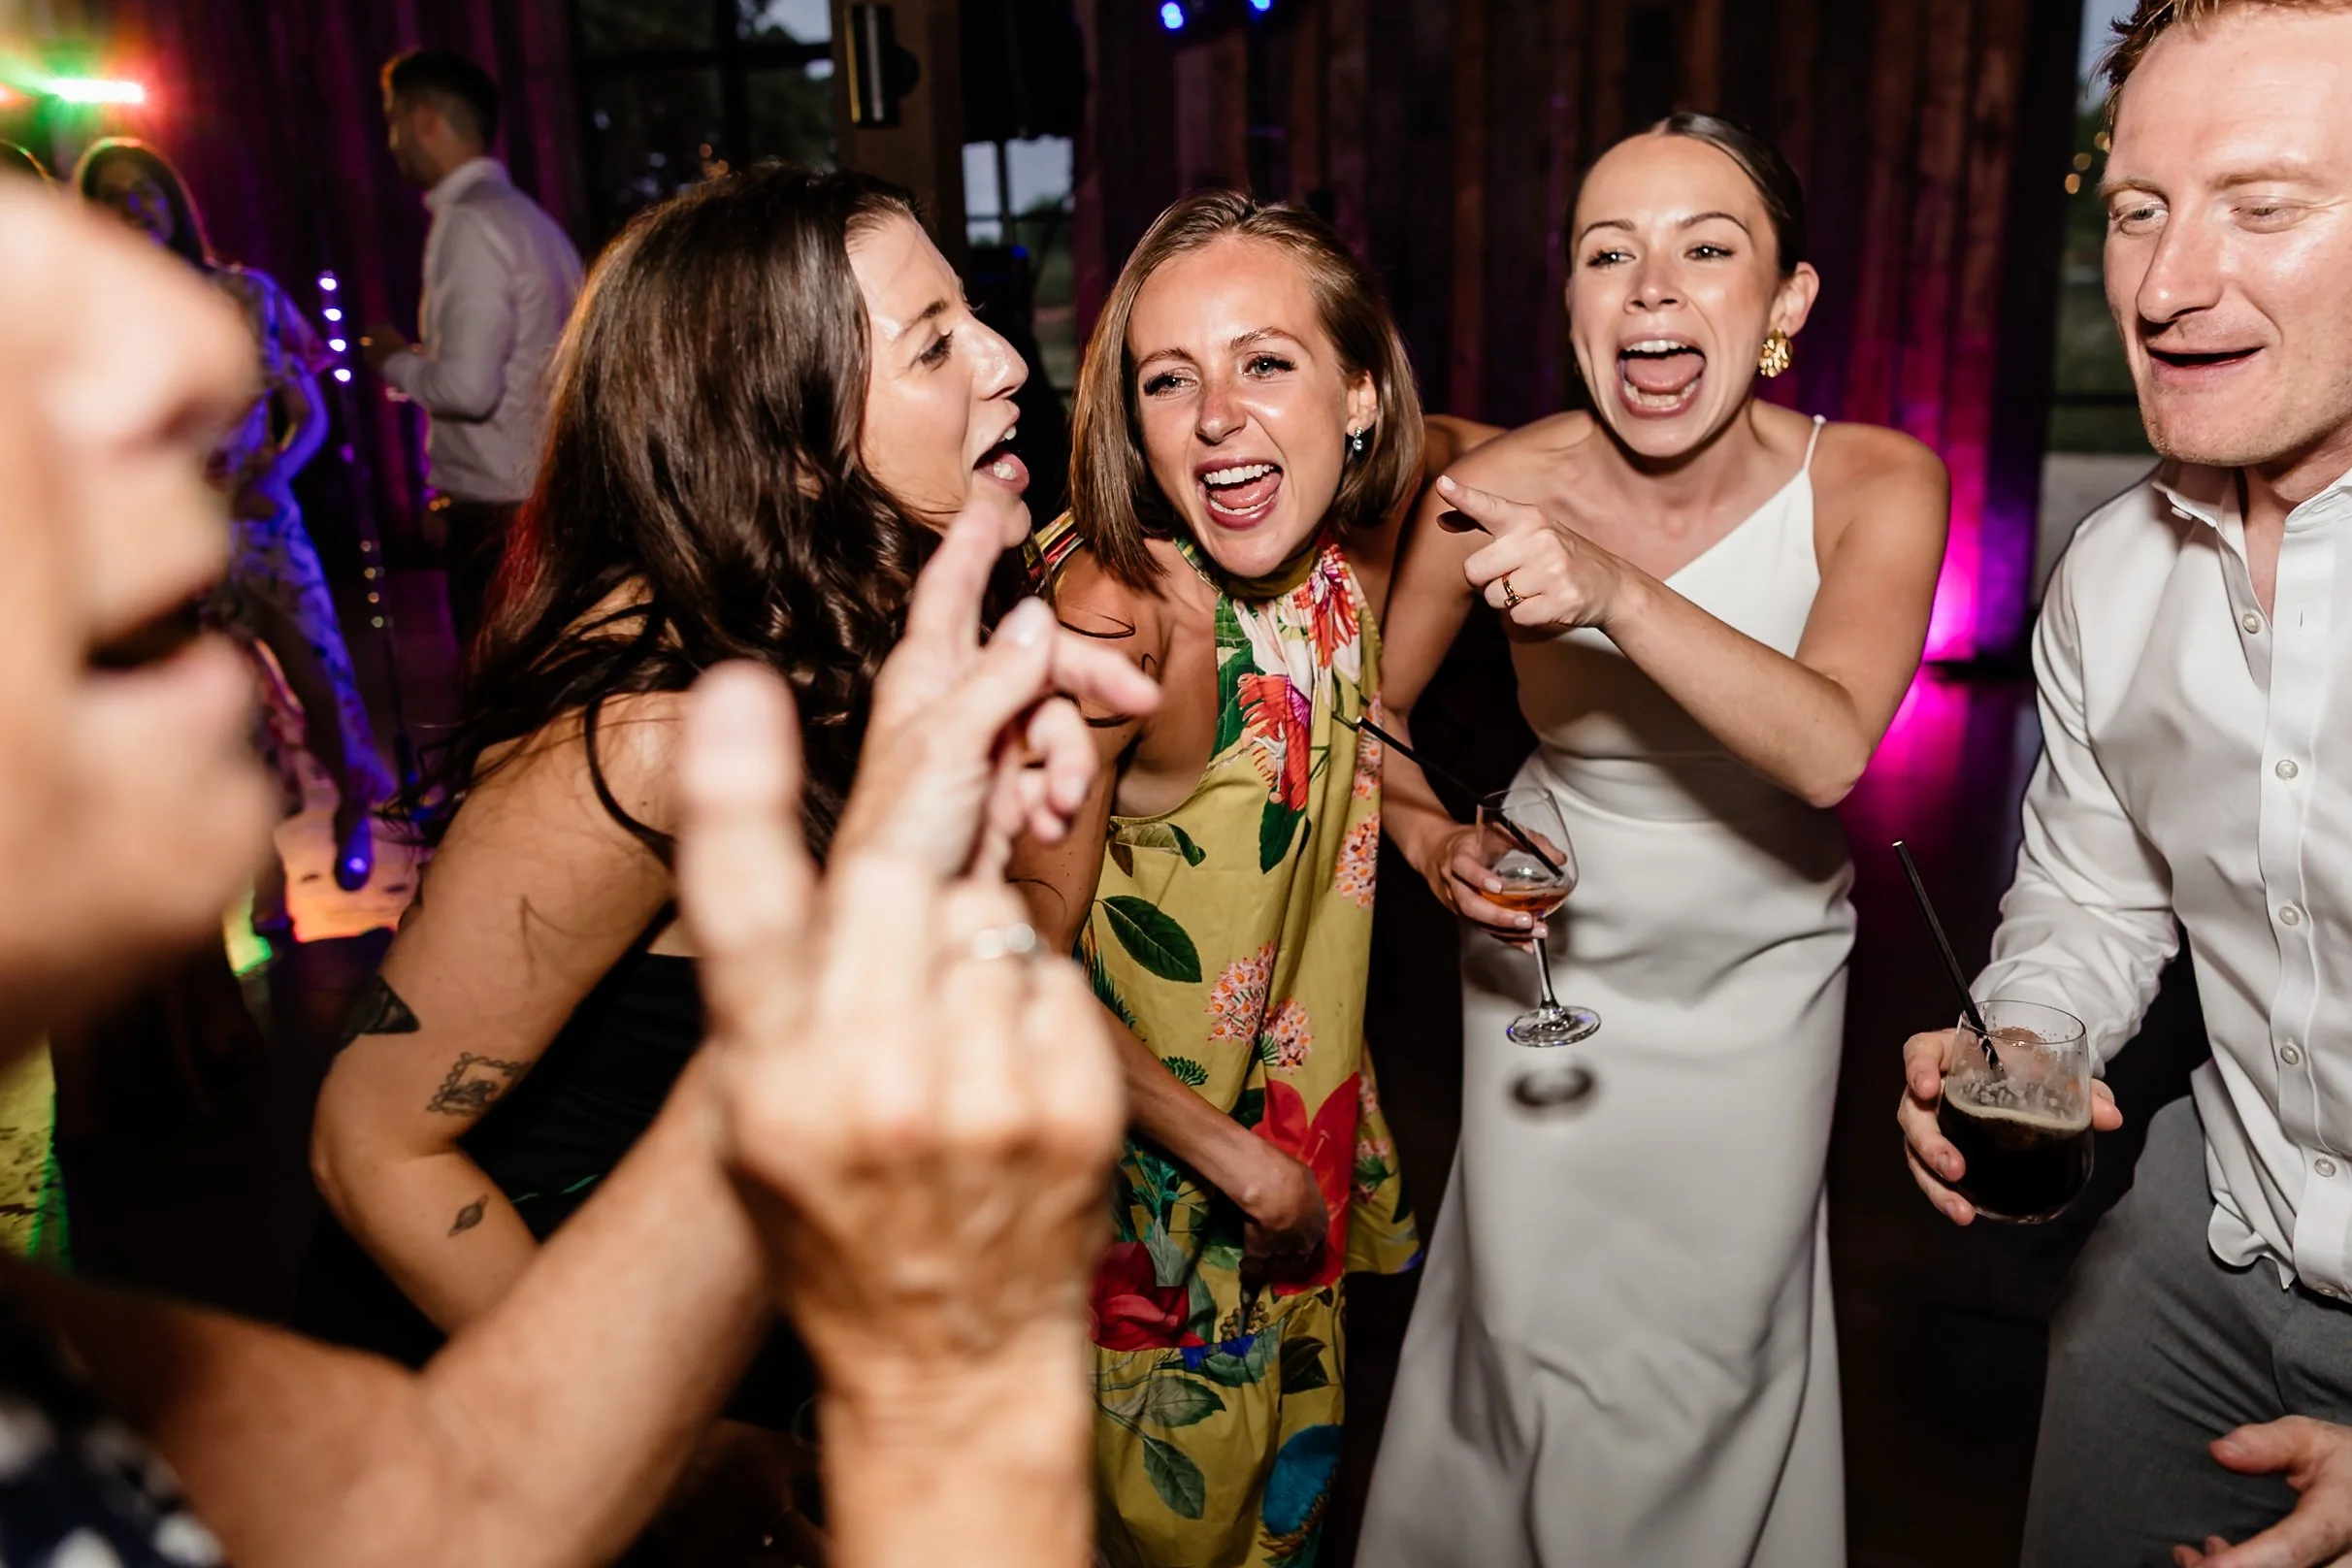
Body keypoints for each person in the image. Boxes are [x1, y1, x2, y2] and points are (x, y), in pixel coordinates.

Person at [0, 174, 1135, 1568]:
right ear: (784, 444)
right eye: (935, 342)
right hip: (515, 1348)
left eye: (972, 317)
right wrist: (675, 1448)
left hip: (698, 1295)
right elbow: (373, 1142)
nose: (1007, 360)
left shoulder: (868, 623)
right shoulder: (646, 735)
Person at [1360, 114, 1950, 1567]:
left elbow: (1829, 747)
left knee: (1709, 1359)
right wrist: (1431, 842)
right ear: (1572, 299)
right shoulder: (1494, 487)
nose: (1653, 290)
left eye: (1708, 249)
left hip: (1760, 978)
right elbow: (1370, 713)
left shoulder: (1878, 481)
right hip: (1548, 954)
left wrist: (1614, 589)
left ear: (1785, 302)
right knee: (1524, 1336)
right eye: (1608, 254)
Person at [1897, 5, 2352, 1565]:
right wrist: (2033, 1034)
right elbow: (2095, 894)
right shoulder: (2110, 571)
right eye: (2140, 210)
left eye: (2263, 207)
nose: (2163, 287)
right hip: (2192, 1246)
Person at [1013, 190, 1423, 1568]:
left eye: (1265, 362)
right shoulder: (1123, 619)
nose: (1216, 418)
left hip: (1286, 1174)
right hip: (1155, 1224)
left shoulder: (1332, 568)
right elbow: (1002, 965)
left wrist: (1429, 834)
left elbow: (1346, 735)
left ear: (1358, 397)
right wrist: (1240, 1164)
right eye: (1168, 379)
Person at [75, 137, 392, 897]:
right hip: (176, 542)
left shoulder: (245, 296)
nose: (132, 206)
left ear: (173, 202)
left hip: (263, 520)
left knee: (320, 680)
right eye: (112, 195)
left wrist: (275, 472)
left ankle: (354, 810)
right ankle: (266, 873)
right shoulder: (95, 322)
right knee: (228, 718)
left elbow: (308, 412)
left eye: (144, 189)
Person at [365, 49, 583, 658]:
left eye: (393, 121)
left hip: (500, 515)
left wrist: (390, 358)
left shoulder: (470, 223)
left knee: (501, 688)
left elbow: (468, 390)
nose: (391, 143)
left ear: (426, 121)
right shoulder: (532, 220)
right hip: (535, 494)